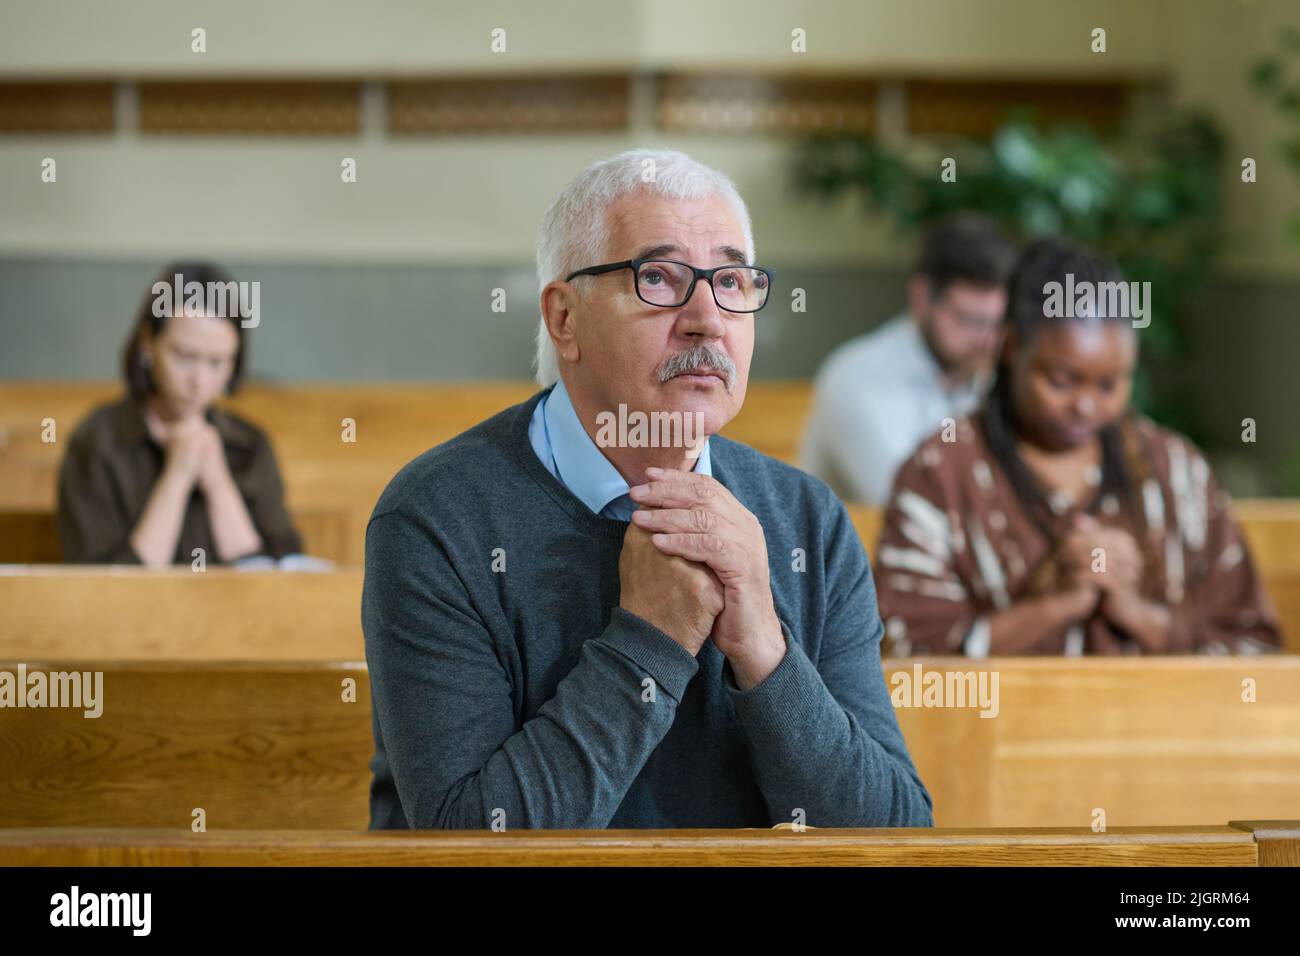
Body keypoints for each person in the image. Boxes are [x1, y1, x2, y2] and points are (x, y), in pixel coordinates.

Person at [362, 149, 933, 830]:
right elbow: (468, 841)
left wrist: (763, 647)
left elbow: (894, 835)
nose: (707, 318)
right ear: (564, 319)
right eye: (658, 278)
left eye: (731, 280)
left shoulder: (806, 519)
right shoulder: (436, 518)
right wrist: (652, 638)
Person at [875, 237, 1282, 657]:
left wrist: (1131, 610)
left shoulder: (1173, 469)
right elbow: (906, 664)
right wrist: (1057, 604)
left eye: (1109, 384)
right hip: (1002, 723)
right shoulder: (941, 470)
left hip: (1161, 723)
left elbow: (1251, 647)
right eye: (1061, 381)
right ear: (1012, 347)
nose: (1085, 406)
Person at [57, 261, 302, 566]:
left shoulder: (249, 444)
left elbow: (278, 577)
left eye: (217, 363)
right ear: (148, 341)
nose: (200, 382)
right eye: (185, 357)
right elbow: (102, 588)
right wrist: (176, 477)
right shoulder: (97, 442)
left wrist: (218, 483)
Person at [801, 213, 1017, 505]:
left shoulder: (987, 375)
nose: (988, 340)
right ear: (921, 297)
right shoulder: (855, 377)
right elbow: (906, 504)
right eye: (971, 321)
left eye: (997, 323)